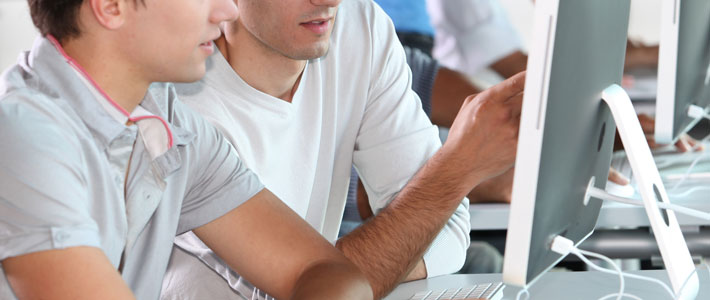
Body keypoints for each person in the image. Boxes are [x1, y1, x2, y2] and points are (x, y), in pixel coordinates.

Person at [0, 1, 373, 299]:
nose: (228, 9)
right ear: (111, 6)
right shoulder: (21, 138)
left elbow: (329, 272)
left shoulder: (165, 120)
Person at [160, 0, 526, 299]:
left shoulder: (359, 24)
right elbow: (300, 293)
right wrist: (454, 170)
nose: (330, 2)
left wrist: (356, 265)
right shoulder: (184, 106)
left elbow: (451, 234)